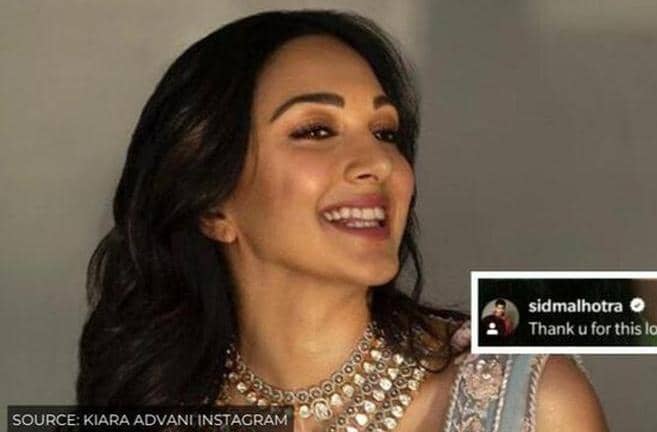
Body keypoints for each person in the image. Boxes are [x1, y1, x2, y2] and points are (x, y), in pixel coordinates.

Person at [76, 10, 607, 431]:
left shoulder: (530, 403)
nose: (379, 163)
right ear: (213, 208)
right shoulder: (154, 408)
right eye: (315, 131)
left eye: (385, 133)